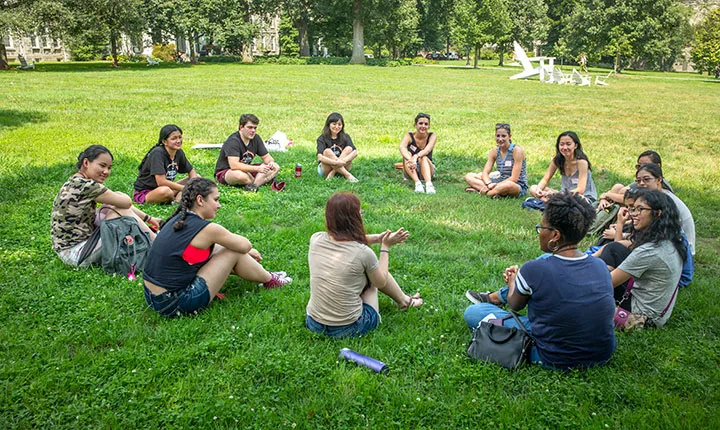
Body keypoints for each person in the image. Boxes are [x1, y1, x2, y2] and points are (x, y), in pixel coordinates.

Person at [464, 192, 616, 370]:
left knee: (474, 312)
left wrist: (513, 283)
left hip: (552, 356)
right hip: (602, 354)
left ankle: (496, 300)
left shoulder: (534, 269)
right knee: (544, 258)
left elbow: (515, 304)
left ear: (556, 235)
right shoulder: (599, 266)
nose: (539, 232)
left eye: (541, 228)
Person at [143, 178, 292, 317]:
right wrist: (247, 250)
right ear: (200, 200)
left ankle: (264, 276)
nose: (219, 205)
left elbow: (197, 251)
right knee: (232, 252)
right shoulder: (209, 229)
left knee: (227, 250)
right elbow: (245, 245)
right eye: (216, 200)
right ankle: (270, 279)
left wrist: (242, 251)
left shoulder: (178, 219)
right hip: (175, 302)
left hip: (153, 297)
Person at [305, 193, 423, 337]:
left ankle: (405, 300)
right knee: (373, 276)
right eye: (360, 213)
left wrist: (377, 238)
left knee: (360, 273)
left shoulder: (316, 239)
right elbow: (381, 282)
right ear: (354, 219)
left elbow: (343, 240)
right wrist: (385, 246)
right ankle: (404, 302)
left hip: (314, 323)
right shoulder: (363, 253)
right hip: (349, 328)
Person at [51, 145, 160, 267]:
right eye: (102, 166)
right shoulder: (88, 186)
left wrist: (148, 218)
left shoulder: (75, 180)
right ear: (86, 162)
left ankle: (151, 224)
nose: (106, 172)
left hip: (68, 250)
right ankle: (158, 245)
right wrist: (122, 196)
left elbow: (115, 199)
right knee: (117, 210)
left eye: (109, 168)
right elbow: (126, 203)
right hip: (76, 254)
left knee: (112, 204)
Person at [600, 190, 686, 328]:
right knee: (615, 249)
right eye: (633, 209)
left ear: (657, 214)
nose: (633, 214)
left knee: (586, 297)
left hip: (642, 318)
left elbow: (604, 285)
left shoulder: (650, 251)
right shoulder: (669, 240)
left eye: (640, 209)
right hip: (656, 310)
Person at [633, 163, 695, 255]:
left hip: (680, 249)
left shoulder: (665, 201)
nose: (641, 183)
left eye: (646, 179)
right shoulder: (654, 198)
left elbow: (663, 232)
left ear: (659, 180)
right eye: (638, 180)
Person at [133, 124, 199, 204]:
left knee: (197, 178)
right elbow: (161, 182)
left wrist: (194, 185)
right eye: (174, 138)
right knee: (166, 191)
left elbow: (191, 171)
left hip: (167, 188)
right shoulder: (158, 153)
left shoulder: (178, 152)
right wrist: (185, 188)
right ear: (164, 142)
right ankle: (177, 199)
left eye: (180, 137)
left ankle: (177, 200)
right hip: (147, 192)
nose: (178, 141)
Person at [214, 113, 280, 192]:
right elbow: (234, 165)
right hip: (227, 171)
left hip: (246, 169)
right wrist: (258, 169)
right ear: (241, 127)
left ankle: (253, 185)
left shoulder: (256, 138)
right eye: (250, 127)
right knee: (240, 175)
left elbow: (267, 157)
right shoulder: (233, 141)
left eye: (255, 128)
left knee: (275, 167)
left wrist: (271, 162)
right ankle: (260, 180)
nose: (253, 130)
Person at [529, 131, 597, 203]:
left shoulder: (582, 163)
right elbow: (545, 179)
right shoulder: (557, 160)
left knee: (577, 198)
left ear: (575, 146)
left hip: (582, 197)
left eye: (568, 144)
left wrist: (557, 195)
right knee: (533, 188)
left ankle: (548, 202)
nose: (565, 147)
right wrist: (539, 189)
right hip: (563, 195)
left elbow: (580, 190)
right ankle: (550, 202)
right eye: (561, 144)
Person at [464, 123, 528, 198]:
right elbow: (485, 172)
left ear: (509, 136)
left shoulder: (517, 151)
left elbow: (514, 178)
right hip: (499, 181)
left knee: (508, 185)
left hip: (516, 185)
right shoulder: (494, 151)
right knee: (469, 176)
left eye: (503, 136)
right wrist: (489, 184)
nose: (500, 139)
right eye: (498, 136)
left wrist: (496, 185)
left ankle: (485, 192)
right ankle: (496, 192)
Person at [597, 150, 672, 211]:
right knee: (618, 187)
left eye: (646, 165)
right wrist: (604, 198)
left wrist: (607, 195)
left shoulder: (662, 188)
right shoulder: (644, 180)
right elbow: (625, 192)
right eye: (639, 166)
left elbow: (632, 200)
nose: (641, 169)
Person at [399, 113, 437, 194]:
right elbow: (402, 147)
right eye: (420, 123)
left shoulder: (432, 136)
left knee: (422, 157)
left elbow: (427, 150)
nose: (423, 126)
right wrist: (410, 159)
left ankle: (429, 184)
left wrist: (415, 157)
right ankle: (418, 184)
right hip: (411, 168)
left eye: (426, 124)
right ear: (415, 125)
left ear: (429, 126)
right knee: (407, 154)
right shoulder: (409, 136)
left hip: (427, 168)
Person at [316, 112, 359, 182]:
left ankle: (333, 172)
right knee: (327, 151)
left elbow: (355, 152)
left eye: (339, 124)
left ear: (342, 126)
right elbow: (320, 157)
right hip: (326, 169)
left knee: (349, 149)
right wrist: (335, 163)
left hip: (343, 165)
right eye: (334, 124)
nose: (337, 127)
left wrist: (342, 161)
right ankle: (347, 175)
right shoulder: (322, 138)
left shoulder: (346, 137)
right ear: (328, 125)